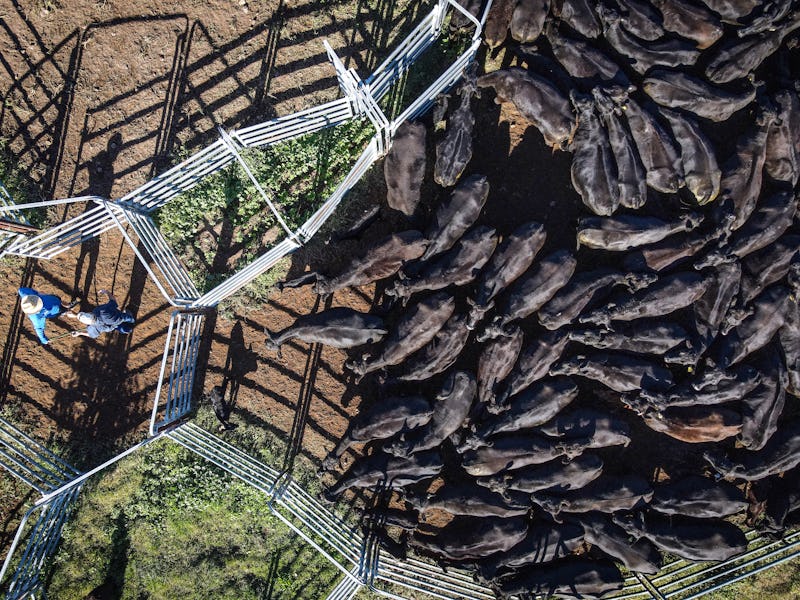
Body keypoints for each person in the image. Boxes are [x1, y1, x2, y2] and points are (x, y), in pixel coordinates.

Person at [67, 289, 135, 340]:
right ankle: (131, 319)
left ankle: (128, 329)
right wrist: (107, 292)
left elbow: (91, 335)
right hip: (117, 317)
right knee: (126, 317)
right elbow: (113, 301)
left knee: (122, 328)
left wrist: (79, 333)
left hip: (114, 326)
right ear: (90, 314)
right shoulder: (102, 311)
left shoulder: (92, 328)